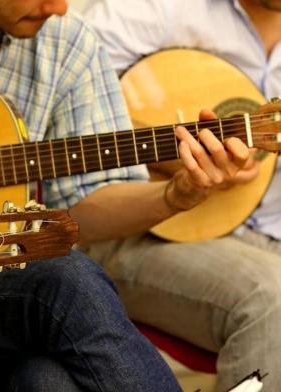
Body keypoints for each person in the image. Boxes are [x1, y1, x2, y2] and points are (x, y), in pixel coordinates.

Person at [0, 0, 250, 390]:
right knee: (66, 280)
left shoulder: (69, 45)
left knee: (47, 380)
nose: (59, 7)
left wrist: (174, 197)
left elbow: (84, 205)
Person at [83, 0, 281, 390]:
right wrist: (183, 160)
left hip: (266, 232)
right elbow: (68, 102)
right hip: (137, 228)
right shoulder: (160, 8)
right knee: (273, 299)